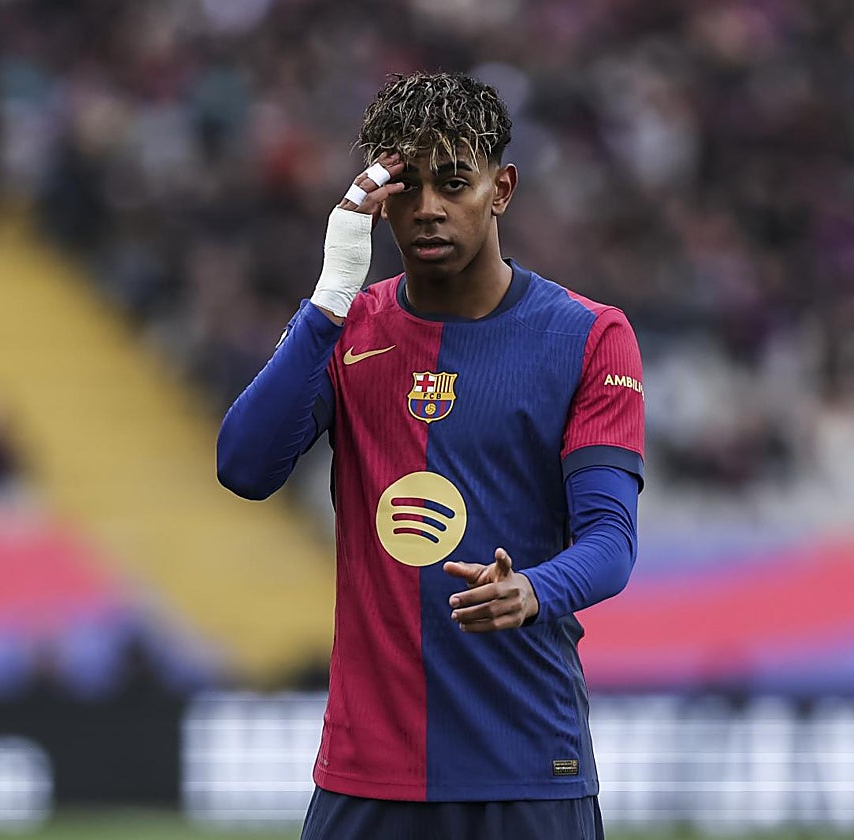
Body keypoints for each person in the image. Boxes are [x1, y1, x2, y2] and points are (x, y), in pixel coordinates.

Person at [217, 71, 644, 840]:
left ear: (501, 189)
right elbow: (244, 469)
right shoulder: (347, 328)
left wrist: (533, 590)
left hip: (527, 768)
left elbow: (611, 543)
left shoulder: (589, 335)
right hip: (368, 773)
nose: (427, 208)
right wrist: (330, 294)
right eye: (406, 186)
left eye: (453, 183)